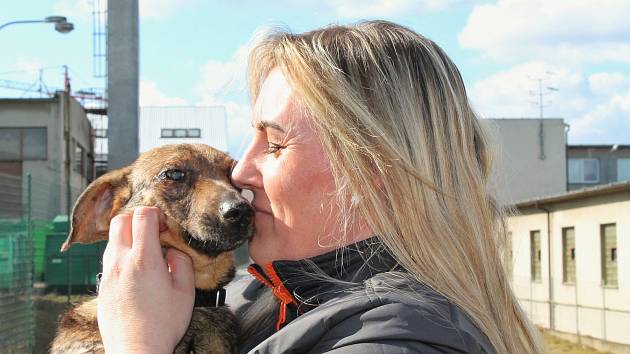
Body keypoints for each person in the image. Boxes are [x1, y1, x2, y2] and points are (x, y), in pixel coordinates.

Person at [97, 20, 545, 353]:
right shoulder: (256, 294)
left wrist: (139, 343)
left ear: (374, 170)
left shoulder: (399, 341)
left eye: (273, 144)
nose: (240, 175)